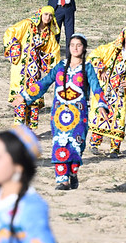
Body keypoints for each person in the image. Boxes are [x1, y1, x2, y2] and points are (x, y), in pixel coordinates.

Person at [15, 34, 107, 190]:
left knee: (76, 145)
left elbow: (96, 87)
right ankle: (62, 180)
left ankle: (73, 172)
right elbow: (44, 83)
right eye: (72, 45)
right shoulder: (60, 66)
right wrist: (25, 96)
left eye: (78, 45)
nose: (75, 48)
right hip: (59, 114)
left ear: (84, 48)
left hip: (79, 114)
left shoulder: (88, 67)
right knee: (60, 143)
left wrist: (102, 104)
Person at [88, 26, 126, 157]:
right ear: (124, 37)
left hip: (120, 94)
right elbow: (93, 56)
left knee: (118, 118)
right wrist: (101, 68)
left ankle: (115, 148)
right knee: (100, 114)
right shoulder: (111, 49)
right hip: (105, 89)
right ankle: (94, 144)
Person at [4, 7, 61, 129]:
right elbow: (10, 32)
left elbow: (54, 51)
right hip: (21, 67)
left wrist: (46, 59)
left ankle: (29, 129)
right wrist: (16, 48)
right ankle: (18, 127)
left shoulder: (48, 34)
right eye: (45, 14)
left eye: (50, 15)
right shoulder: (27, 24)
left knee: (33, 94)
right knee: (20, 94)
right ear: (40, 14)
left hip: (35, 70)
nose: (48, 18)